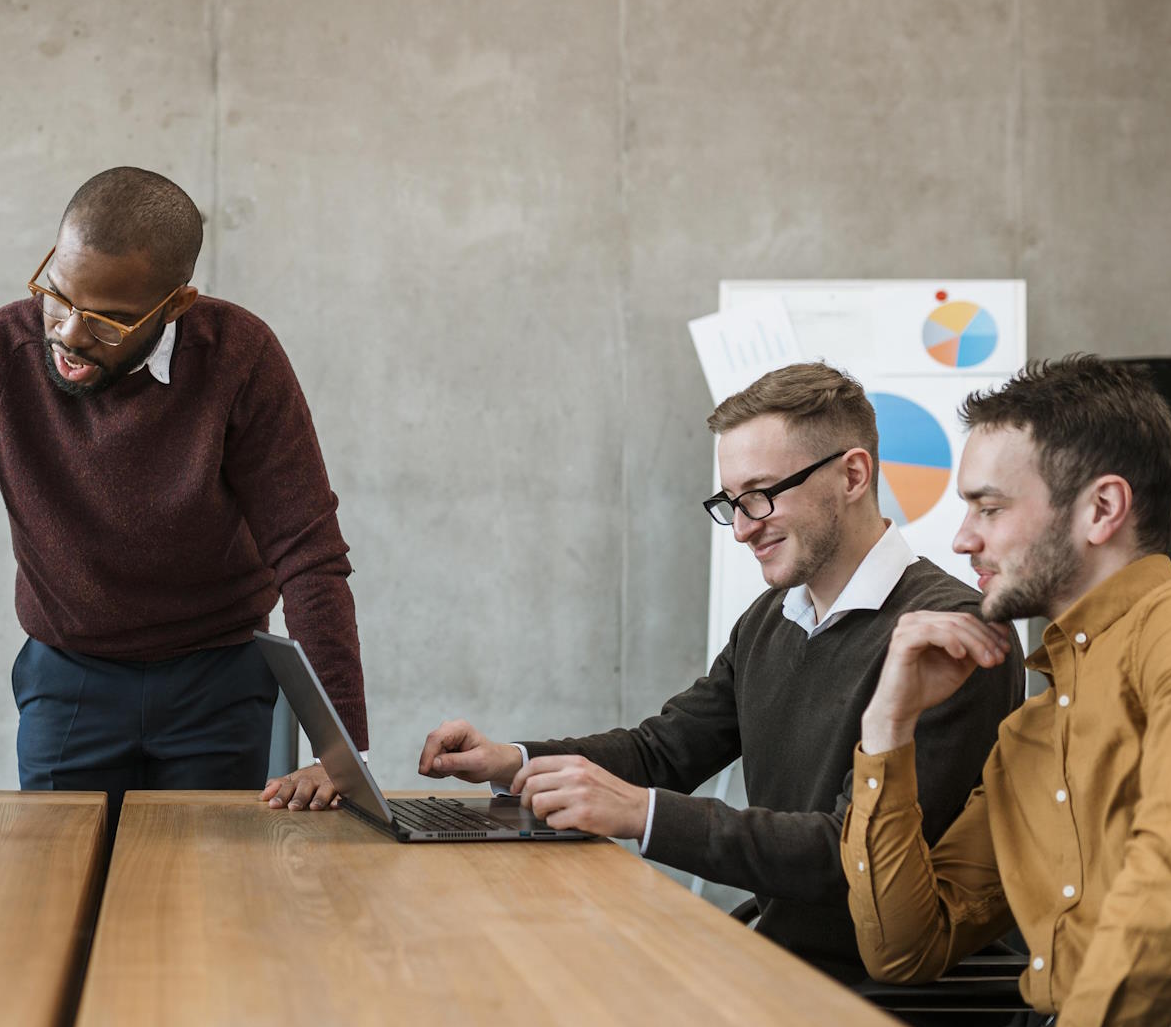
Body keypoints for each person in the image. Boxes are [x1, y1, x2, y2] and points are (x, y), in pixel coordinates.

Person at [419, 362, 1023, 981]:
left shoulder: (952, 635)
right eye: (731, 502)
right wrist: (512, 761)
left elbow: (855, 851)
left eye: (761, 495)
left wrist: (644, 814)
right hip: (780, 961)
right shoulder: (772, 617)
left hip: (874, 996)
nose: (741, 529)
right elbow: (663, 750)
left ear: (852, 474)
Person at [0, 167, 366, 813]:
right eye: (57, 296)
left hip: (219, 678)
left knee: (208, 899)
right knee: (61, 896)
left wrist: (341, 753)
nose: (67, 333)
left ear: (175, 304)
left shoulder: (240, 356)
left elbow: (309, 555)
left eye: (108, 321)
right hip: (67, 678)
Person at [844, 355, 1171, 1027]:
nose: (962, 540)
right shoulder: (1030, 728)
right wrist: (886, 723)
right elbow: (905, 948)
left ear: (1100, 509)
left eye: (988, 508)